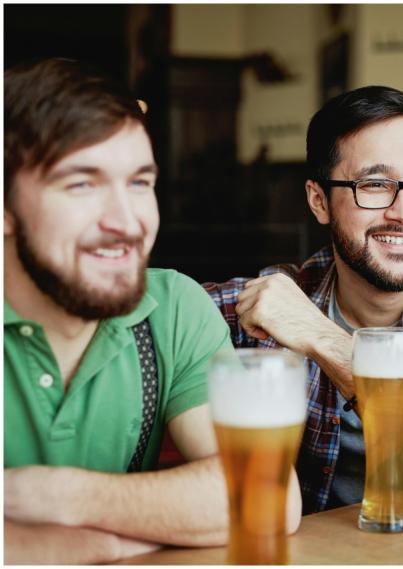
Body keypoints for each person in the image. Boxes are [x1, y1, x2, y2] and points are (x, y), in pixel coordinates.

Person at [3, 58, 301, 564]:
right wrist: (115, 540)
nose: (127, 221)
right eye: (82, 184)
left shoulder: (173, 309)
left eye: (140, 183)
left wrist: (60, 496)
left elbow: (267, 498)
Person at [205, 86, 403, 512]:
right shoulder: (285, 296)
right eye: (375, 185)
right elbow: (162, 307)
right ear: (319, 201)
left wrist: (323, 338)